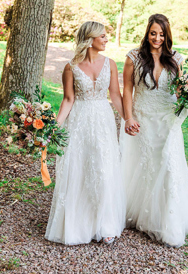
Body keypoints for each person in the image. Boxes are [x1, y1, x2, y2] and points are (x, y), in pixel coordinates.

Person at [120, 14, 188, 248]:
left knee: (168, 163)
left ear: (167, 35)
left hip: (168, 119)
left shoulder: (176, 58)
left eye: (161, 34)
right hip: (144, 117)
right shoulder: (133, 58)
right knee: (147, 165)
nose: (157, 38)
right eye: (153, 33)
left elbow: (180, 90)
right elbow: (127, 90)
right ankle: (144, 212)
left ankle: (167, 218)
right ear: (147, 33)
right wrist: (128, 117)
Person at [45, 21, 125, 245]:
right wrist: (54, 127)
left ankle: (105, 224)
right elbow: (68, 99)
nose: (106, 39)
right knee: (79, 167)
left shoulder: (111, 64)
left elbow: (116, 96)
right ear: (90, 40)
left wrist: (128, 118)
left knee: (103, 166)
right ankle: (78, 224)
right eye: (102, 36)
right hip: (79, 120)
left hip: (102, 120)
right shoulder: (71, 67)